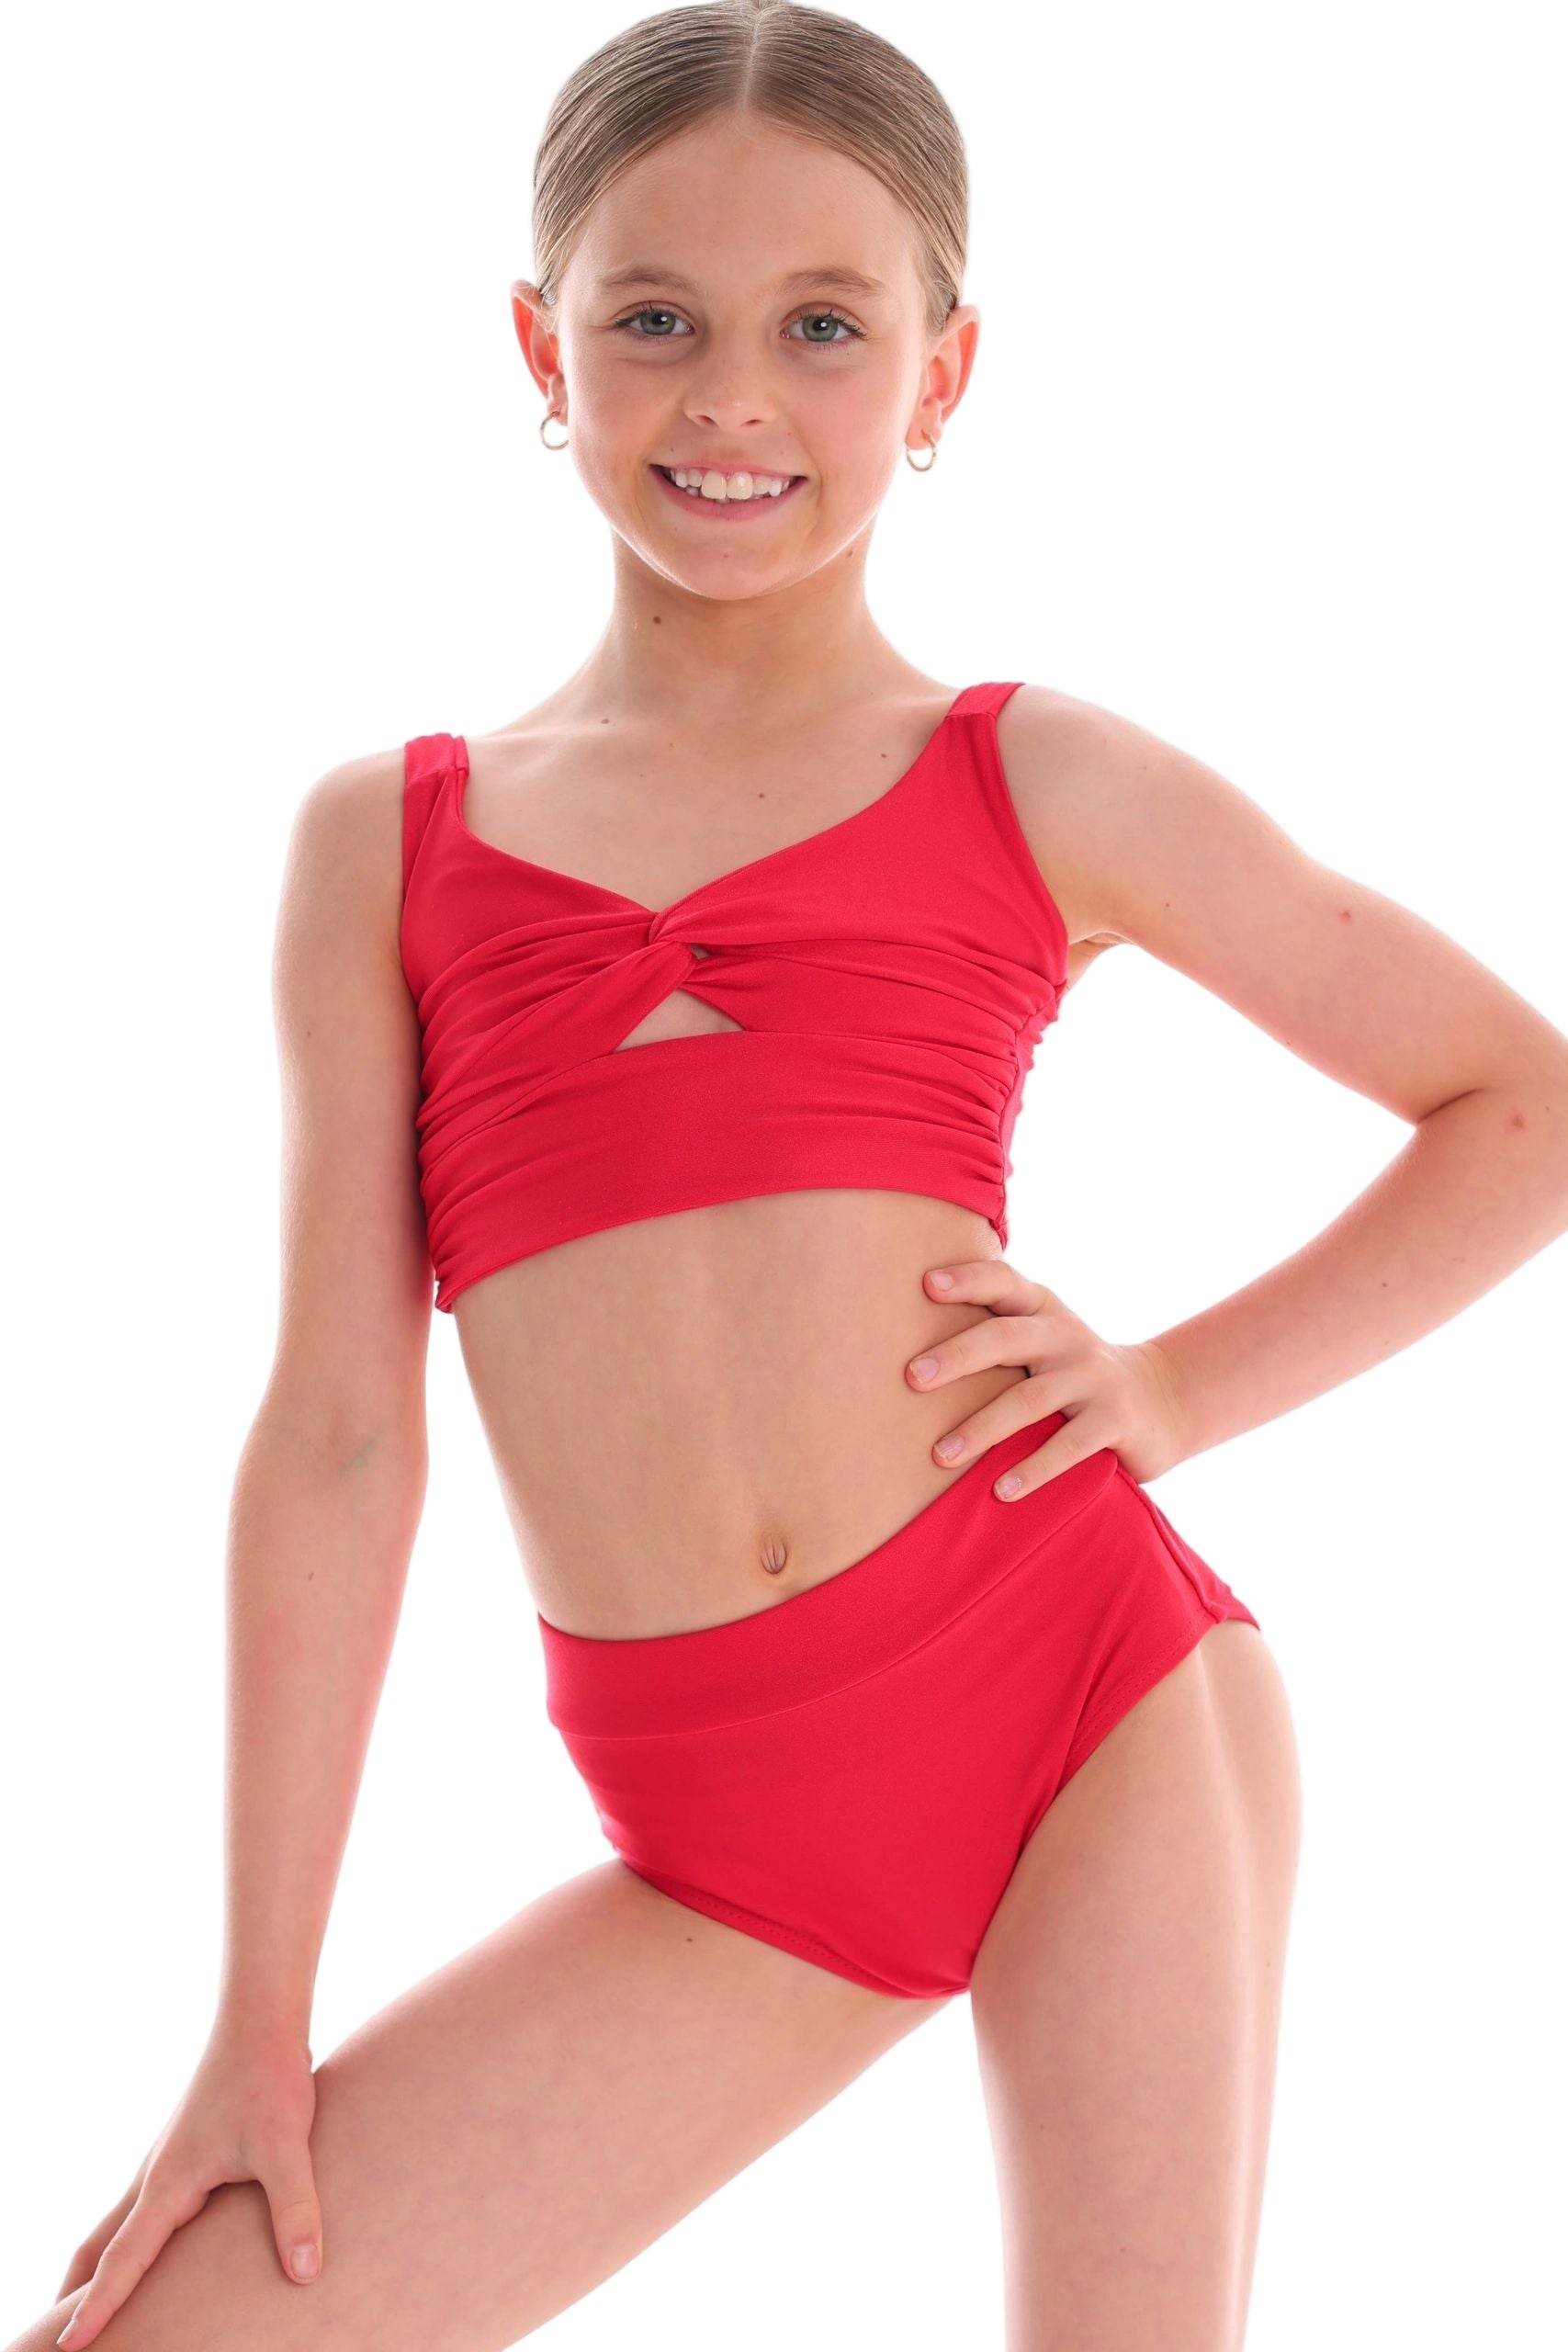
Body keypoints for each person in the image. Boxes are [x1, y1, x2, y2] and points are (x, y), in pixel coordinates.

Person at [14, 6, 1568, 2349]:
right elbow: (334, 1435)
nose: (730, 395)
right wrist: (257, 2015)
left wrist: (1164, 1387)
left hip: (1079, 1701)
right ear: (538, 349)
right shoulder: (388, 842)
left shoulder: (1033, 776)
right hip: (720, 1843)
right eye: (654, 318)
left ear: (940, 374)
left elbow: (1513, 1104)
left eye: (820, 327)